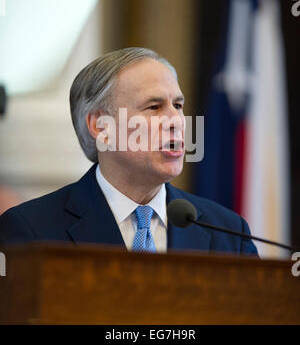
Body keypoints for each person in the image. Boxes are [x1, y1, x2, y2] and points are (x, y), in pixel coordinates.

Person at [0, 48, 257, 255]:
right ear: (100, 127)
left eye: (177, 105)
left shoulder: (229, 233)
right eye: (154, 107)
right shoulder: (30, 231)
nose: (176, 121)